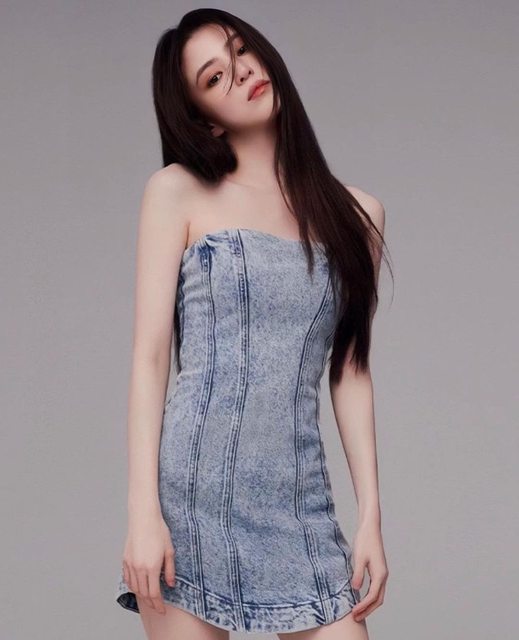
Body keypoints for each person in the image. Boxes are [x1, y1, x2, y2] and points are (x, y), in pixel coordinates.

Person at [115, 7, 390, 639]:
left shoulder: (359, 216)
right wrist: (143, 514)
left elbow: (350, 369)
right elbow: (150, 359)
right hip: (191, 504)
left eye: (240, 50)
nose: (240, 72)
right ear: (205, 119)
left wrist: (371, 516)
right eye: (214, 78)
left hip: (299, 504)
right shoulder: (176, 192)